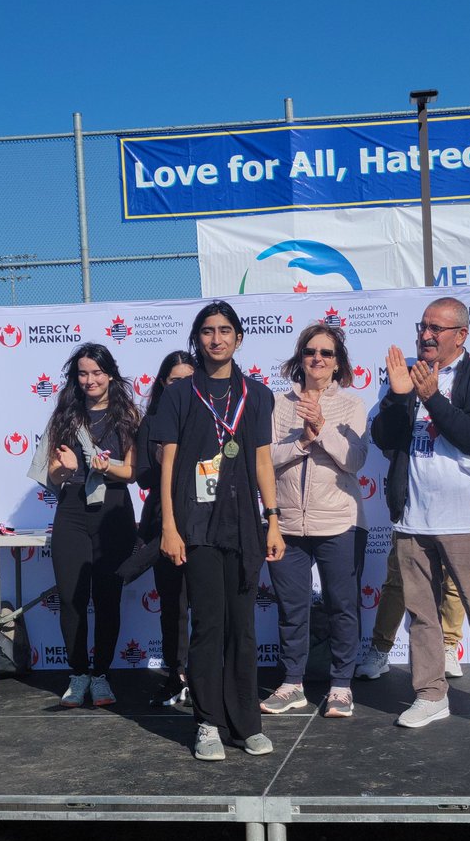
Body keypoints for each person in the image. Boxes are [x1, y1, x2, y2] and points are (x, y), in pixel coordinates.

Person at [371, 297, 470, 731]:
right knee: (421, 614)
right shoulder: (407, 377)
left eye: (437, 328)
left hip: (466, 519)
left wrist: (431, 397)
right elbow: (384, 439)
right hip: (413, 518)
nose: (426, 335)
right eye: (423, 326)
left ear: (461, 335)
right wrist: (398, 395)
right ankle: (430, 694)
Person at [154, 300, 284, 761]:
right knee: (208, 626)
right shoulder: (179, 394)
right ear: (198, 339)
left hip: (244, 526)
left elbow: (263, 462)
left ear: (238, 338)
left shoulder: (257, 395)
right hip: (197, 526)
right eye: (208, 331)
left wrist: (273, 520)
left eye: (225, 330)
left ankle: (246, 723)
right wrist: (169, 526)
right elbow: (168, 466)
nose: (216, 338)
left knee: (242, 629)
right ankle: (207, 723)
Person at [263, 322, 368, 719]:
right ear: (300, 358)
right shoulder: (277, 403)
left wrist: (322, 428)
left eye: (326, 353)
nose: (317, 359)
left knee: (342, 606)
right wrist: (303, 441)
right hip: (286, 523)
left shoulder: (351, 405)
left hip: (339, 522)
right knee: (292, 609)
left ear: (338, 362)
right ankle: (292, 683)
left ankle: (341, 686)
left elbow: (354, 460)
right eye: (310, 351)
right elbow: (264, 460)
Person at [28, 343, 140, 709]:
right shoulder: (64, 416)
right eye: (83, 373)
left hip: (113, 510)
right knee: (72, 598)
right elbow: (53, 474)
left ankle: (101, 674)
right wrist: (66, 469)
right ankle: (78, 675)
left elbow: (132, 472)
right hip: (72, 510)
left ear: (110, 374)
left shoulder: (128, 415)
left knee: (107, 598)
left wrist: (106, 467)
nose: (90, 380)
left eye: (97, 372)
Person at [134, 349, 196, 707]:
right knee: (173, 603)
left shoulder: (210, 417)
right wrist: (162, 461)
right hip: (164, 523)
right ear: (163, 383)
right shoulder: (152, 421)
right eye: (175, 380)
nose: (182, 386)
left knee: (206, 604)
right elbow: (142, 476)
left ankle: (204, 675)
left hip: (204, 521)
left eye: (189, 379)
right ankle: (177, 673)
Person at [354, 541, 466, 680]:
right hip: (410, 528)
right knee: (397, 581)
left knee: (451, 580)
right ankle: (380, 649)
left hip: (452, 529)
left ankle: (448, 648)